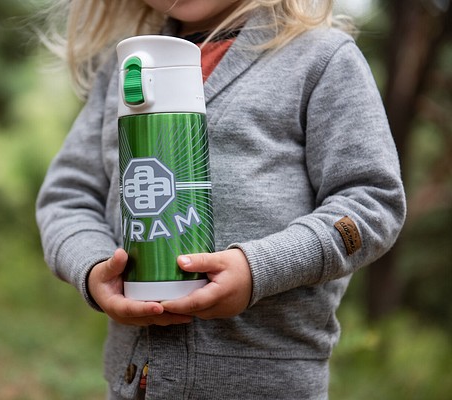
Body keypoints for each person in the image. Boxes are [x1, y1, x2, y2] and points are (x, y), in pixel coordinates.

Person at [36, 1, 406, 399]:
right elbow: (67, 197)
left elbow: (371, 202)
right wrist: (93, 267)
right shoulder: (123, 68)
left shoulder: (321, 58)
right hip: (136, 385)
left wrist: (259, 268)